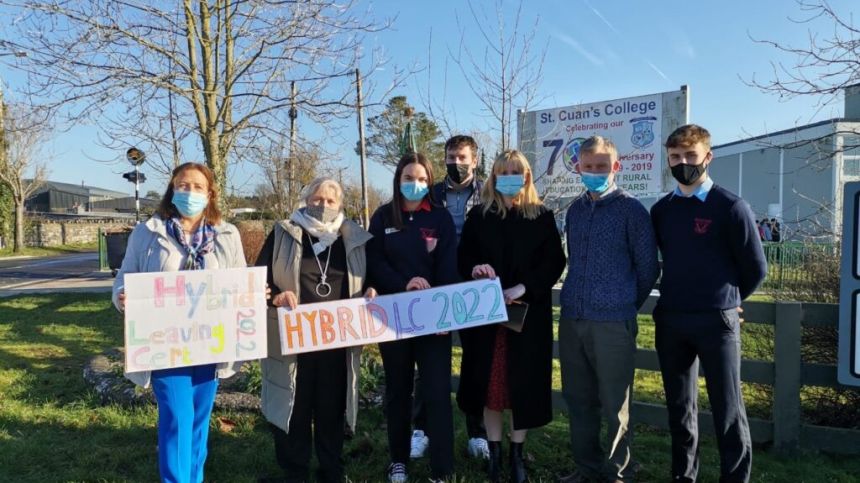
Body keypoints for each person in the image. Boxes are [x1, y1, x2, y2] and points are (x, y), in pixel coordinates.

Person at [112, 162, 247, 483]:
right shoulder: (148, 232)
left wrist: (255, 294)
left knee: (199, 422)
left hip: (210, 341)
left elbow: (240, 281)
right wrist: (123, 296)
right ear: (172, 190)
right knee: (177, 417)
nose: (190, 192)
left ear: (210, 194)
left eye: (198, 187)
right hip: (164, 343)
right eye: (183, 186)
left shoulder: (227, 234)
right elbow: (124, 278)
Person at [650, 124, 767, 483]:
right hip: (672, 321)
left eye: (690, 155)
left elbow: (756, 268)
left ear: (707, 157)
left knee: (728, 410)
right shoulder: (662, 210)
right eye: (675, 157)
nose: (682, 162)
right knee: (680, 410)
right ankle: (683, 477)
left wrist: (729, 301)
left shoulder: (731, 207)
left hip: (717, 323)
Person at [456, 149, 566, 483]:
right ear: (493, 177)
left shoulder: (542, 216)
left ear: (527, 176)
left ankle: (517, 455)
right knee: (491, 386)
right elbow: (464, 258)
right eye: (502, 172)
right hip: (487, 321)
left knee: (523, 387)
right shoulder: (479, 216)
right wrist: (475, 268)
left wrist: (524, 287)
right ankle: (494, 454)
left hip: (526, 320)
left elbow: (554, 263)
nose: (508, 178)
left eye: (515, 172)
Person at [255, 177, 375, 483]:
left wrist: (371, 291)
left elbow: (371, 279)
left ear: (341, 206)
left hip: (337, 344)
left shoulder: (356, 238)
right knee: (293, 409)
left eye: (330, 201)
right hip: (292, 342)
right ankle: (294, 472)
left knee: (331, 411)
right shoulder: (284, 233)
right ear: (306, 201)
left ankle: (331, 470)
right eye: (317, 200)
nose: (323, 206)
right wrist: (276, 296)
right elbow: (259, 282)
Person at [557, 136, 659, 483]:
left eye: (602, 166)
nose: (595, 172)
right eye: (589, 167)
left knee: (616, 404)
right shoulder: (575, 210)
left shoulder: (632, 210)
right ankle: (586, 468)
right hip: (573, 319)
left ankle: (618, 472)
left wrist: (624, 301)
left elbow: (648, 268)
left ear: (615, 167)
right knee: (578, 399)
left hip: (614, 322)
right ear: (579, 168)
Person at [366, 152, 460, 483]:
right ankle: (398, 460)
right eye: (408, 178)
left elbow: (449, 266)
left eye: (422, 179)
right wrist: (402, 284)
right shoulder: (381, 217)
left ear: (429, 181)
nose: (415, 184)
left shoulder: (440, 218)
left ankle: (442, 468)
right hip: (394, 318)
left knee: (436, 392)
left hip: (434, 320)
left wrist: (441, 314)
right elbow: (374, 262)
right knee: (398, 391)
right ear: (398, 180)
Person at [409, 134, 488, 461]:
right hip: (436, 285)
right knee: (428, 361)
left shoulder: (489, 193)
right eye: (450, 158)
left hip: (474, 287)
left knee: (476, 362)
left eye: (462, 158)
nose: (456, 164)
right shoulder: (432, 194)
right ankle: (421, 429)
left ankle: (478, 432)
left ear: (475, 160)